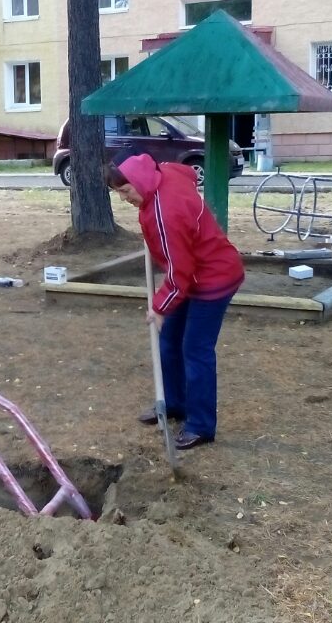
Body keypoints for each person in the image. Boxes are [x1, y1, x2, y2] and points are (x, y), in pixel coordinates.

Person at [108, 153, 245, 450]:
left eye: (126, 191)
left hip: (214, 277)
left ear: (140, 180)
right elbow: (187, 173)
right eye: (118, 192)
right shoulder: (164, 173)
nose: (123, 199)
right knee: (169, 341)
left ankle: (200, 426)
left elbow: (180, 274)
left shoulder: (165, 214)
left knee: (195, 349)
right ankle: (173, 403)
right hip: (194, 274)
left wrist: (159, 307)